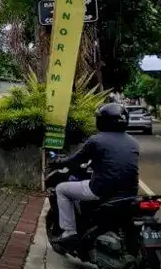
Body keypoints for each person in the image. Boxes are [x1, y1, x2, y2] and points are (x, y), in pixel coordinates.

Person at [50, 103, 140, 246]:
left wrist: (59, 162)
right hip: (129, 193)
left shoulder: (97, 140)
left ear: (103, 121)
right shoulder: (133, 142)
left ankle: (69, 232)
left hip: (102, 190)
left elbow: (76, 160)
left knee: (61, 189)